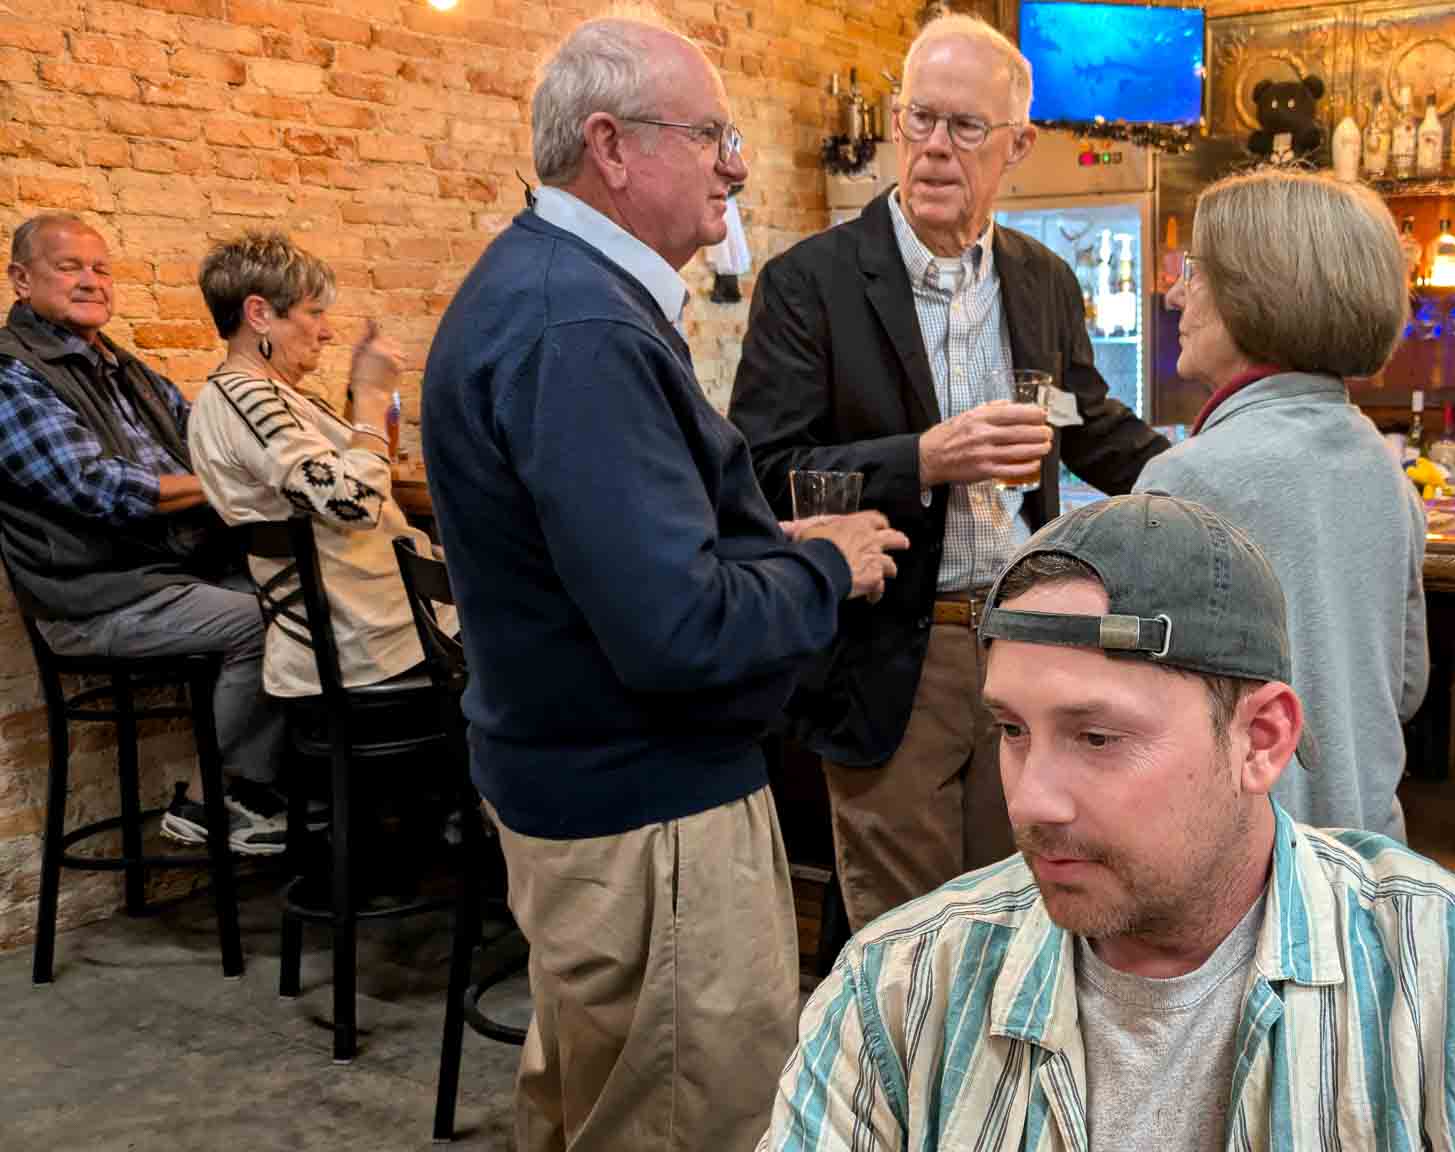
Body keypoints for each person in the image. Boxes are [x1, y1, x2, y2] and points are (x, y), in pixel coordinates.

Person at [759, 493, 1455, 1151]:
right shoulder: (901, 992)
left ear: (1261, 739)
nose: (1031, 800)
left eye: (1098, 736)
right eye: (1013, 731)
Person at [419, 16, 906, 1150]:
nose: (735, 162)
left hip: (600, 804)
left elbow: (635, 566)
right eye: (711, 134)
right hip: (650, 820)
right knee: (694, 1122)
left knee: (601, 1107)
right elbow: (676, 629)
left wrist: (776, 547)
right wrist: (823, 566)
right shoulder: (579, 326)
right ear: (612, 146)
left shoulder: (555, 290)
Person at [728, 13, 1168, 933]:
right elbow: (764, 473)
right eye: (920, 119)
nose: (935, 149)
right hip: (893, 651)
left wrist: (1213, 471)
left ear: (1018, 144)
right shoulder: (810, 281)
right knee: (909, 940)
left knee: (1023, 919)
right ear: (895, 121)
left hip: (1029, 643)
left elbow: (1089, 426)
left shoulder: (1043, 278)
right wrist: (922, 459)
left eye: (966, 128)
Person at [1134, 170, 1424, 838]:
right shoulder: (1386, 471)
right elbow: (1406, 689)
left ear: (1257, 292)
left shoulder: (1184, 481)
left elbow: (1140, 721)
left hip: (1239, 885)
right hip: (1369, 866)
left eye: (1197, 271)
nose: (1178, 295)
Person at [0, 213, 287, 855]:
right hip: (94, 597)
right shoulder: (11, 374)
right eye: (69, 266)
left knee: (310, 596)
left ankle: (299, 791)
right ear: (21, 279)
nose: (91, 281)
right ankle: (220, 800)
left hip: (167, 575)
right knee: (270, 621)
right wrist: (230, 484)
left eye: (101, 269)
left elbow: (211, 437)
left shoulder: (123, 369)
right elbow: (94, 486)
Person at [186, 231, 452, 699]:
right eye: (314, 313)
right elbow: (355, 503)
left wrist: (358, 394)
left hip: (386, 627)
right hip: (376, 646)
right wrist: (370, 397)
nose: (327, 331)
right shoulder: (249, 401)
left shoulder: (267, 397)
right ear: (259, 314)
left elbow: (339, 475)